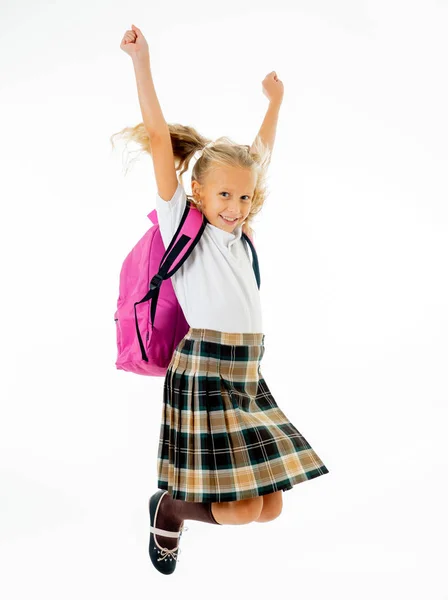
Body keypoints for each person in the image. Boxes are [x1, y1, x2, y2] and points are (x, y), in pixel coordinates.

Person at [112, 24, 329, 574]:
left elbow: (261, 155)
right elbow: (160, 138)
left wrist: (275, 103)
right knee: (235, 513)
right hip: (205, 369)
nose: (234, 205)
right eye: (224, 195)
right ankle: (168, 506)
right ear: (200, 192)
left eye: (244, 196)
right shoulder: (182, 222)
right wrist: (143, 63)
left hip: (247, 371)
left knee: (268, 507)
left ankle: (173, 504)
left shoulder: (240, 235)